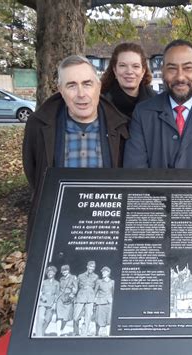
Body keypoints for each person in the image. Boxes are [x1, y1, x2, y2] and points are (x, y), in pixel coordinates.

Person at [22, 55, 131, 251]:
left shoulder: (121, 127)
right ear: (60, 90)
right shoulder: (39, 125)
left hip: (107, 227)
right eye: (71, 85)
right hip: (57, 226)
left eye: (87, 84)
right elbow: (33, 172)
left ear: (98, 87)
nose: (81, 94)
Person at [123, 39, 192, 169]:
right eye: (172, 68)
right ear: (162, 72)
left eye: (188, 68)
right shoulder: (142, 113)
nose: (180, 77)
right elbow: (136, 173)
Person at [100, 42, 155, 120]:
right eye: (122, 65)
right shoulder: (100, 104)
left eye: (135, 66)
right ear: (115, 70)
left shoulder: (157, 104)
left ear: (143, 71)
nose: (129, 71)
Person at [73, 261, 98, 336]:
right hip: (80, 297)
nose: (91, 268)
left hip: (90, 298)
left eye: (93, 267)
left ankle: (84, 333)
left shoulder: (96, 276)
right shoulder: (80, 276)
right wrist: (73, 295)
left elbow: (96, 288)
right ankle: (76, 332)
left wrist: (95, 298)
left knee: (88, 317)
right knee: (75, 316)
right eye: (90, 266)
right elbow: (75, 287)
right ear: (87, 266)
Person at [36, 266, 59, 336]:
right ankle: (38, 335)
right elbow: (38, 292)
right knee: (40, 319)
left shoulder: (57, 283)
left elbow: (57, 294)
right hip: (42, 303)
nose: (50, 273)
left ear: (54, 273)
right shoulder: (43, 282)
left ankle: (41, 333)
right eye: (48, 272)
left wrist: (55, 304)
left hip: (51, 304)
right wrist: (42, 296)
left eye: (52, 272)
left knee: (47, 319)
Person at [55, 265, 78, 336]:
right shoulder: (61, 279)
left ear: (68, 270)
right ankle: (58, 333)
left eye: (66, 270)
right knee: (59, 316)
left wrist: (72, 295)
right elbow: (59, 288)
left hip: (69, 299)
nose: (64, 272)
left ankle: (61, 330)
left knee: (65, 318)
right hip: (60, 298)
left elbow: (75, 288)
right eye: (63, 270)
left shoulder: (73, 277)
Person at [94, 266, 115, 336]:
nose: (103, 273)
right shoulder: (99, 281)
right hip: (100, 302)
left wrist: (112, 300)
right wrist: (94, 300)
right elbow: (95, 292)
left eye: (104, 272)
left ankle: (107, 334)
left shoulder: (112, 282)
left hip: (109, 303)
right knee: (99, 319)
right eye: (102, 272)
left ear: (108, 273)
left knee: (108, 319)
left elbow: (114, 293)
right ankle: (97, 334)